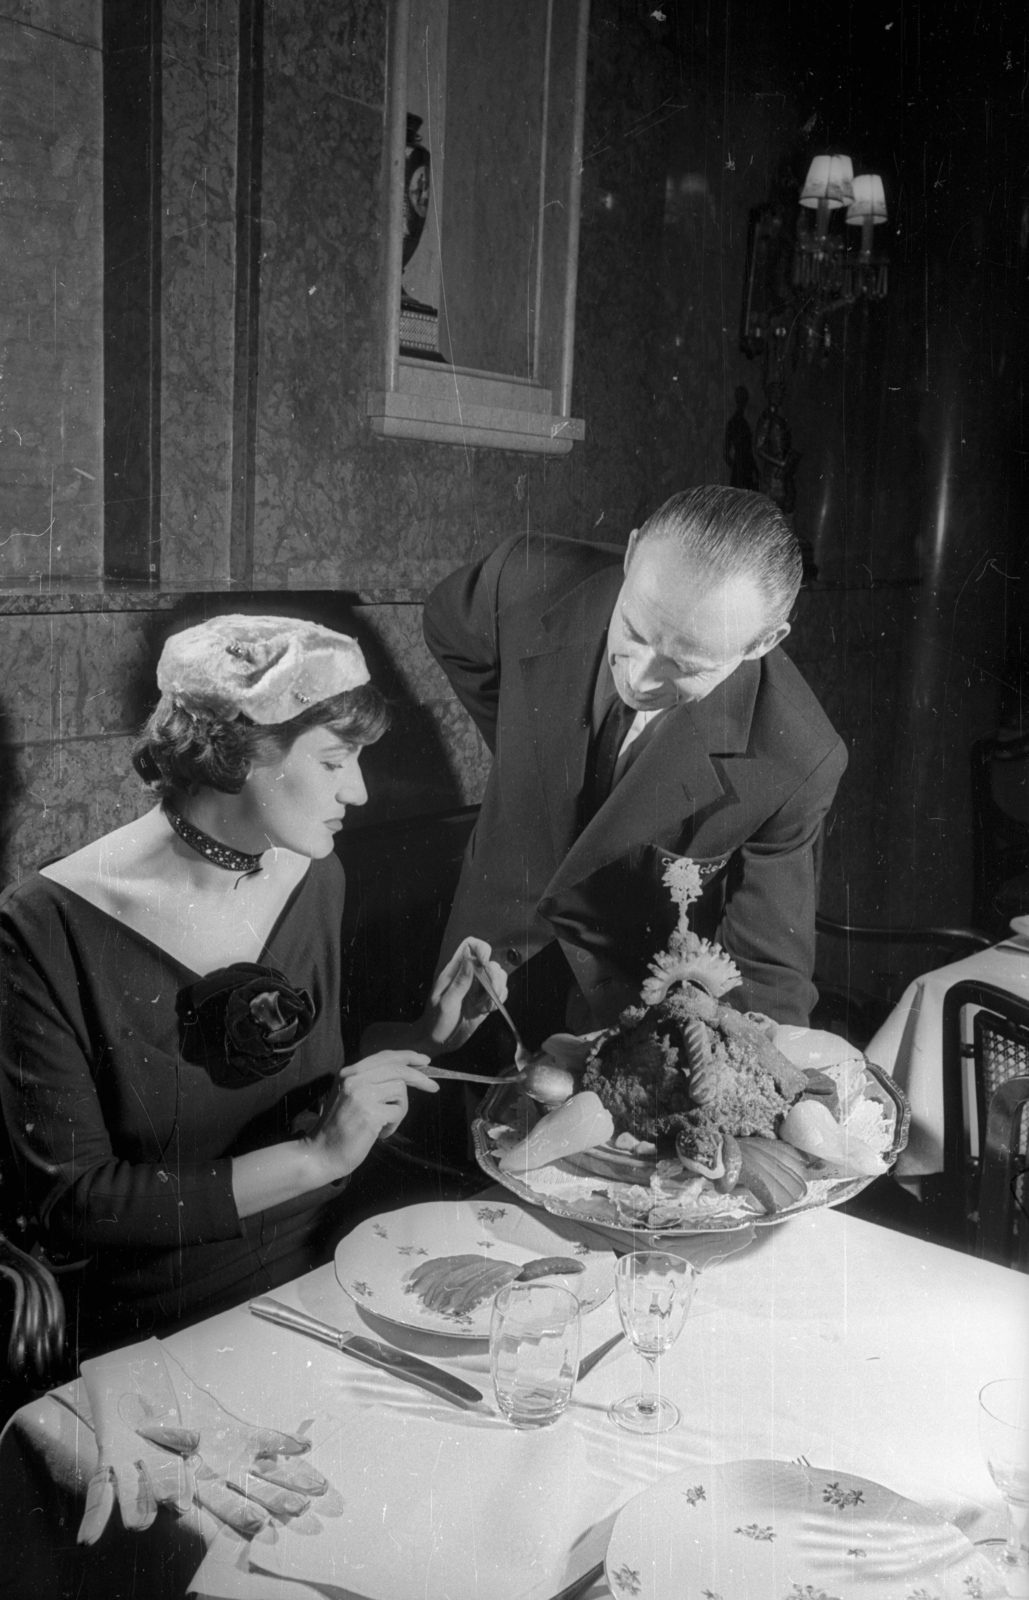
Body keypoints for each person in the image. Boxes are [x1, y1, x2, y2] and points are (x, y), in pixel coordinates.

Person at [0, 615, 507, 1356]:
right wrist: (315, 1159)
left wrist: (428, 1034)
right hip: (167, 1321)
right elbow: (77, 1204)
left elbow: (325, 1083)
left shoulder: (317, 875)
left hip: (335, 1261)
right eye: (334, 761)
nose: (360, 791)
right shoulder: (43, 927)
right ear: (237, 755)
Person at [424, 486, 847, 1039]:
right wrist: (521, 747)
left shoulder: (798, 756)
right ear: (631, 552)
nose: (640, 679)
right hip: (482, 957)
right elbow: (447, 625)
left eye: (685, 665)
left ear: (763, 642)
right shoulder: (525, 577)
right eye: (634, 630)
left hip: (633, 1024)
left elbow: (765, 981)